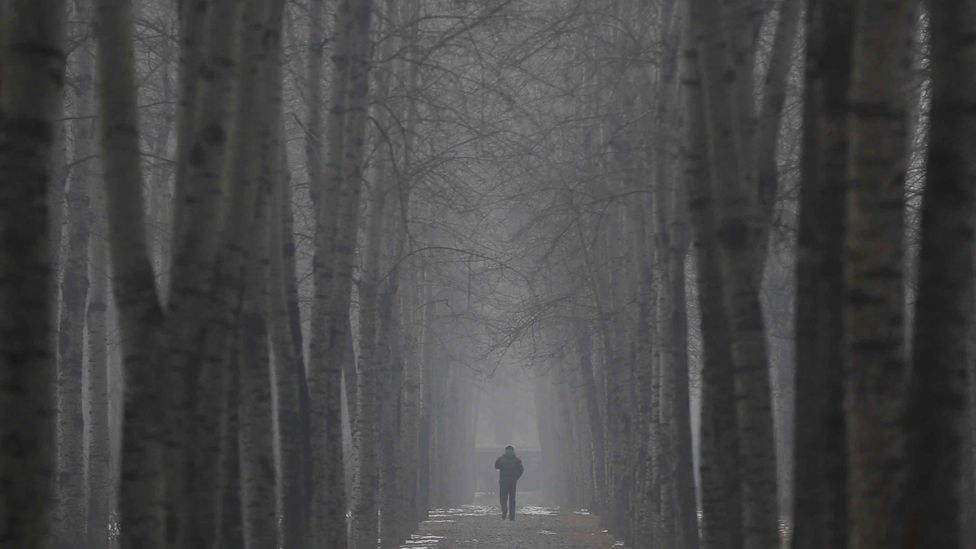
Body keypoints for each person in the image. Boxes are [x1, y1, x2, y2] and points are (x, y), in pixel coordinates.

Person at [494, 445, 524, 520]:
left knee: (503, 498)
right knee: (512, 499)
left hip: (503, 481)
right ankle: (512, 516)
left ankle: (504, 509)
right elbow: (521, 470)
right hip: (512, 482)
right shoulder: (517, 460)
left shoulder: (501, 459)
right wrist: (516, 477)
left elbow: (496, 466)